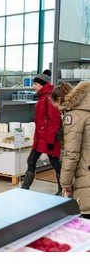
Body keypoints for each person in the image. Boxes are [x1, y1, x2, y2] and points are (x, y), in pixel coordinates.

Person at [50, 80, 90, 219]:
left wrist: (65, 183)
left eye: (55, 106)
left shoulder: (73, 116)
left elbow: (71, 153)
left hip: (86, 175)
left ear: (59, 100)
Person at [21, 70, 62, 195]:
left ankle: (63, 189)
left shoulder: (49, 97)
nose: (33, 86)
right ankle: (24, 189)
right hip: (40, 138)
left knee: (55, 164)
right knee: (31, 160)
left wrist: (50, 140)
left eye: (35, 84)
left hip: (49, 138)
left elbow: (54, 120)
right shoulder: (43, 97)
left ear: (43, 85)